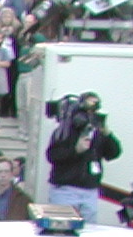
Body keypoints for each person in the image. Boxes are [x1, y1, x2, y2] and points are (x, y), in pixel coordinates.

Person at [45, 92, 121, 224]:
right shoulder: (64, 131)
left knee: (88, 233)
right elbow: (52, 156)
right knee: (63, 229)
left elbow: (113, 153)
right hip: (66, 190)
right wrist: (76, 150)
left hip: (89, 191)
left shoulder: (98, 133)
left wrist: (106, 132)